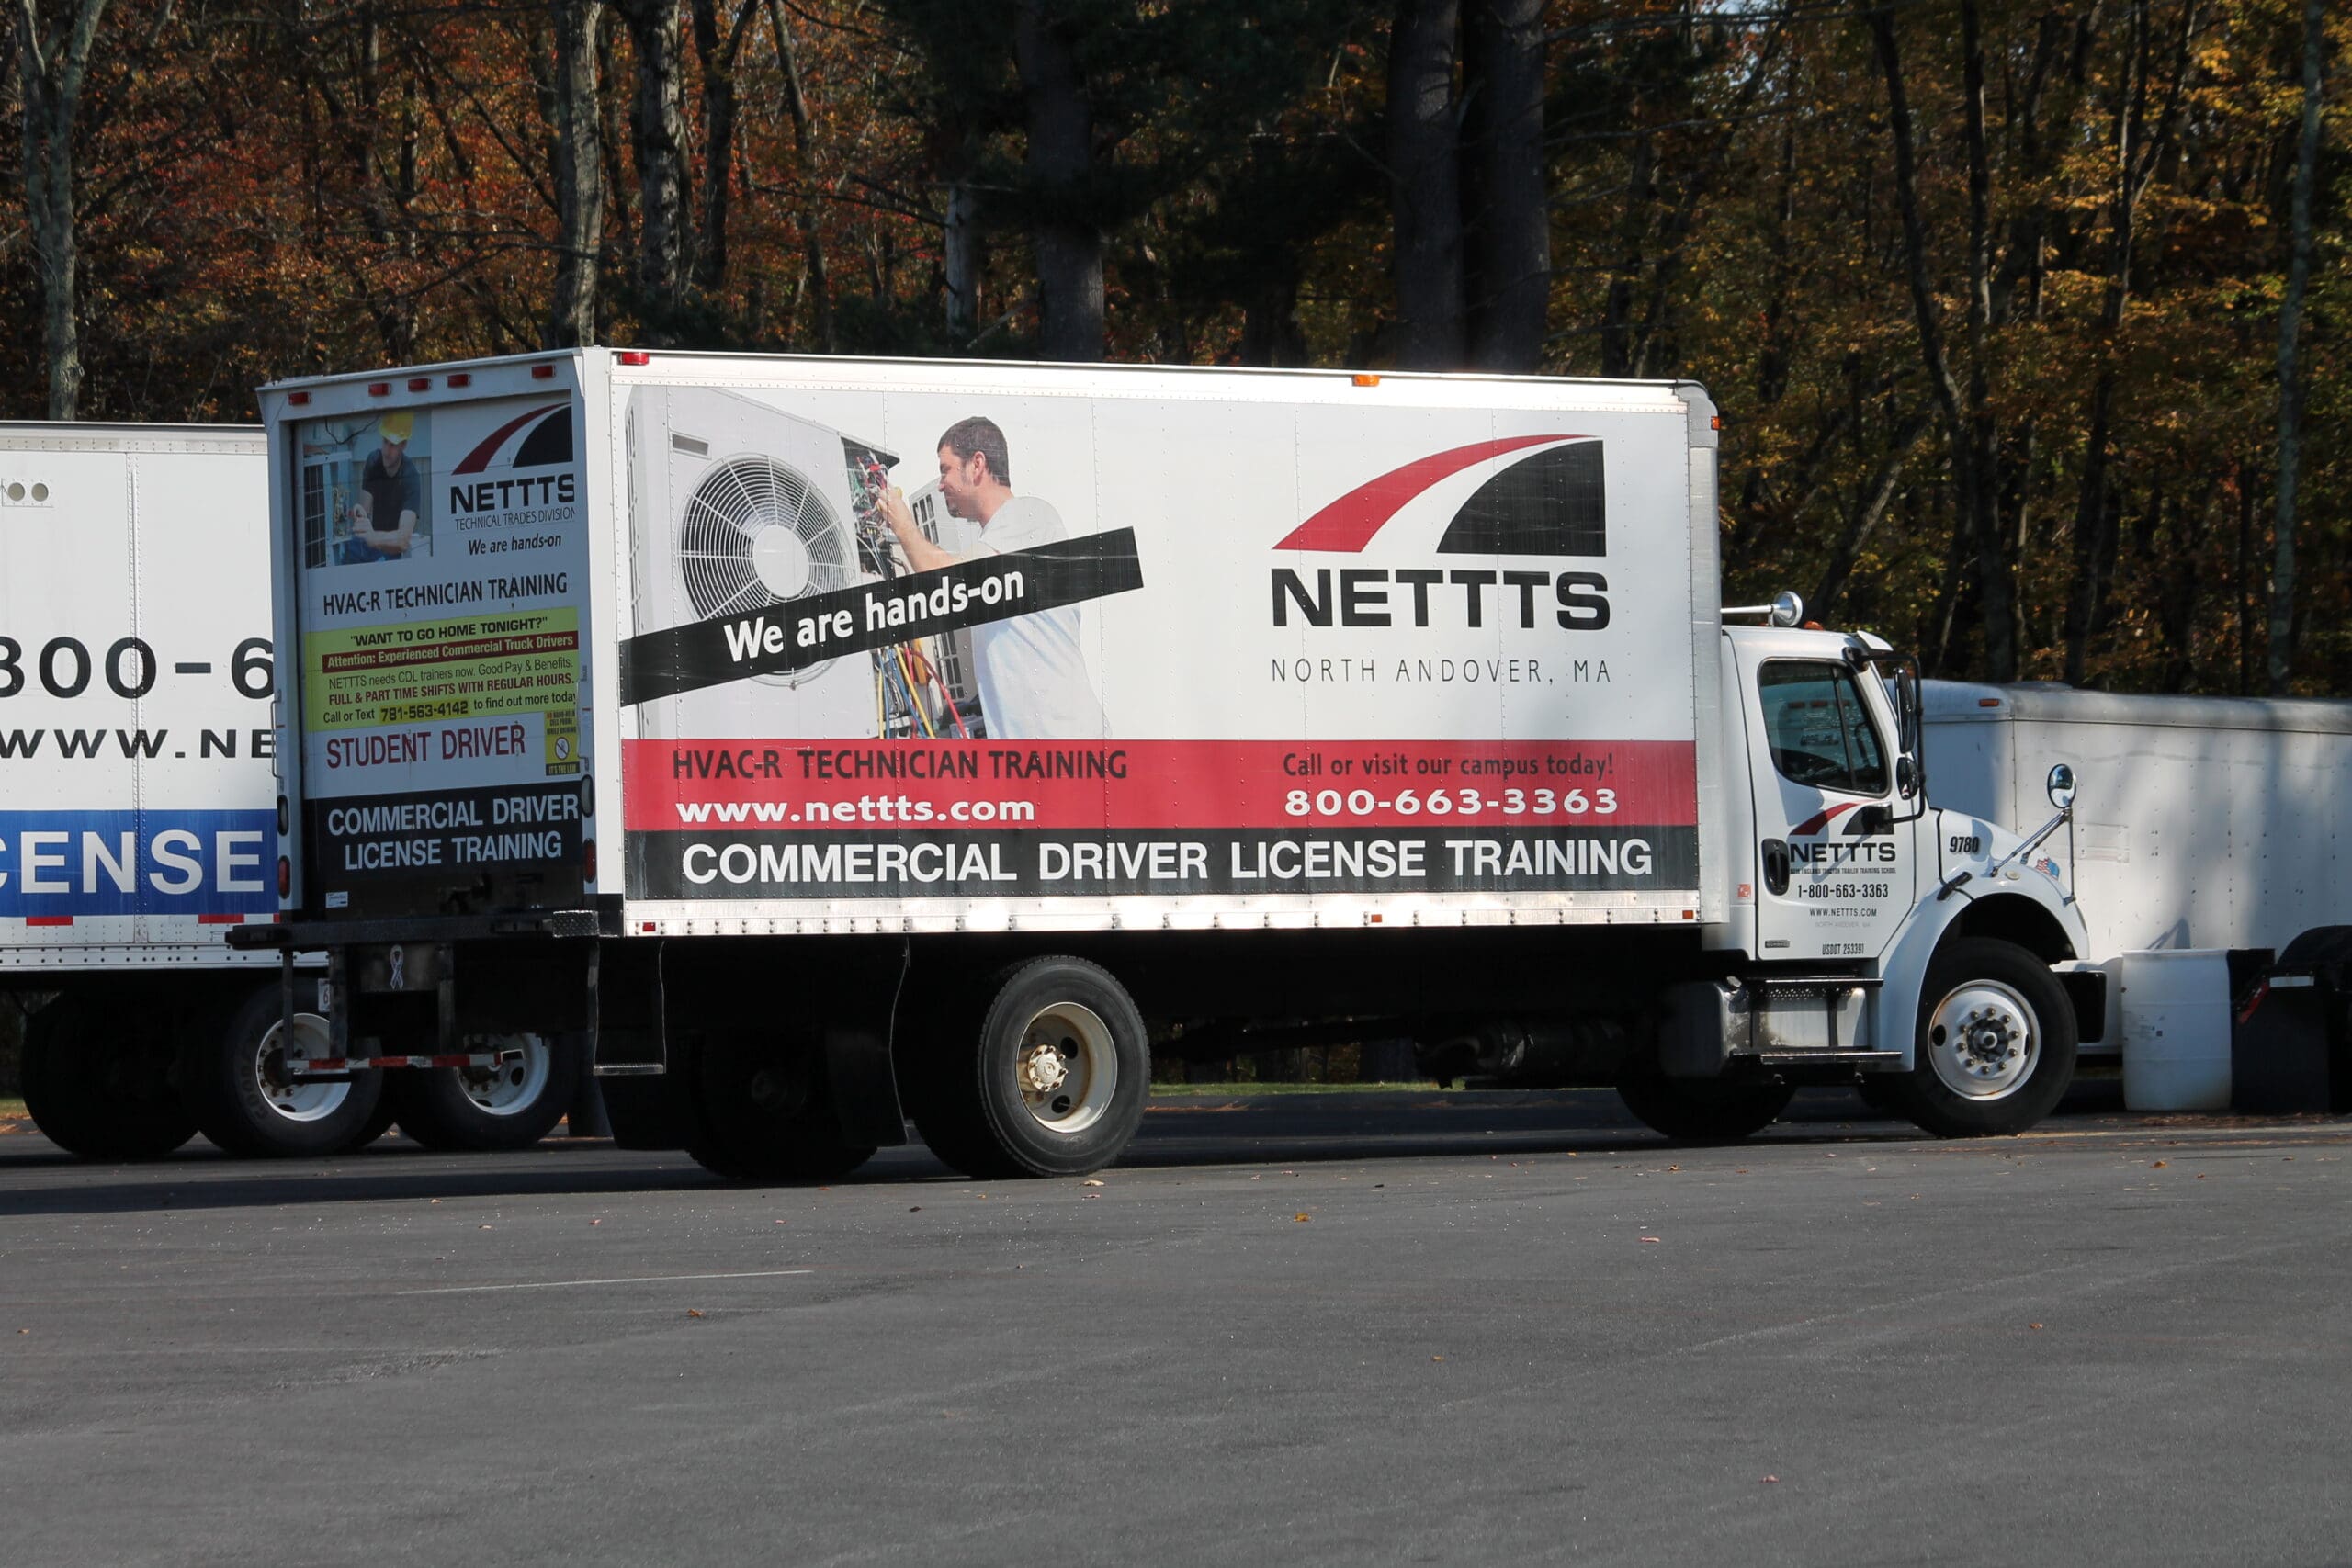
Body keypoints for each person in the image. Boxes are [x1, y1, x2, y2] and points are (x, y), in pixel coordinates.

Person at [880, 416, 1107, 739]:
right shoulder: (1000, 539)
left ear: (977, 465)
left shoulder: (1029, 517)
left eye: (945, 469)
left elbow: (947, 580)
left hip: (1065, 747)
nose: (941, 484)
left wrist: (902, 524)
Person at [345, 412, 423, 562]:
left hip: (393, 549)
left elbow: (403, 540)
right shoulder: (373, 460)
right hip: (371, 544)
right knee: (350, 549)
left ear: (403, 444)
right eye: (385, 441)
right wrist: (359, 513)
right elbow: (364, 510)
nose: (386, 451)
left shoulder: (411, 476)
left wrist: (373, 538)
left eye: (392, 444)